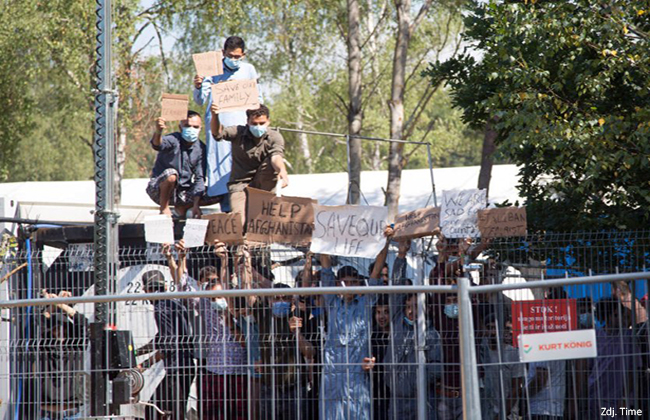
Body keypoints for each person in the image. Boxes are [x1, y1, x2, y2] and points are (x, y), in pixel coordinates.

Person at [318, 231, 390, 420]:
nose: (348, 286)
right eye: (344, 282)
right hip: (333, 372)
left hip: (358, 373)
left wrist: (386, 241)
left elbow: (376, 272)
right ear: (337, 283)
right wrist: (320, 233)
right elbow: (325, 269)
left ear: (359, 283)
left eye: (352, 282)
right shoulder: (332, 303)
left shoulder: (365, 305)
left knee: (359, 413)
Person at [193, 36, 261, 211]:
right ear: (223, 53)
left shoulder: (249, 70)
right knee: (222, 170)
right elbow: (200, 101)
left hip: (243, 129)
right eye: (230, 56)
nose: (234, 60)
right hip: (219, 128)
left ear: (244, 55)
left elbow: (258, 99)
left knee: (244, 167)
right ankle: (227, 213)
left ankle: (247, 212)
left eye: (237, 57)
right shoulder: (212, 70)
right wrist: (198, 86)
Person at [384, 236, 442, 420]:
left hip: (423, 397)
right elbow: (397, 286)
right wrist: (401, 255)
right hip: (397, 398)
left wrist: (419, 381)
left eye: (417, 308)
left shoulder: (431, 334)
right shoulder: (397, 322)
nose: (411, 312)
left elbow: (438, 366)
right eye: (409, 306)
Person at [210, 103, 289, 225]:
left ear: (268, 121)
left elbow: (276, 157)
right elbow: (217, 134)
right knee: (239, 222)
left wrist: (282, 172)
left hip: (263, 183)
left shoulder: (274, 137)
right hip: (239, 184)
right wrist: (214, 115)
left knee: (261, 222)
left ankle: (266, 199)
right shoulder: (237, 132)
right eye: (254, 124)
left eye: (262, 123)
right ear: (247, 121)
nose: (258, 127)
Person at [140, 270, 194, 420]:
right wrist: (137, 352)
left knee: (159, 412)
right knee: (164, 410)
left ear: (148, 290)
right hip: (183, 366)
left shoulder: (160, 308)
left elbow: (167, 345)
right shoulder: (172, 302)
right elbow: (162, 338)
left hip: (178, 368)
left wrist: (143, 365)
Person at [37, 290, 89, 420]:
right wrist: (52, 303)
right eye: (56, 327)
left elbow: (83, 322)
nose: (60, 330)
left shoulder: (76, 346)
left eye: (64, 327)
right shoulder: (45, 346)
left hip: (71, 412)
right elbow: (39, 322)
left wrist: (60, 304)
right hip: (47, 413)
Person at [585, 297, 640, 419]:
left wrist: (625, 396)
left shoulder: (628, 337)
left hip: (618, 400)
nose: (619, 318)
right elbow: (586, 368)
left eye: (620, 314)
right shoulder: (595, 337)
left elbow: (633, 370)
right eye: (615, 315)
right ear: (606, 316)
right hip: (596, 397)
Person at [146, 111, 206, 218]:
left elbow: (199, 178)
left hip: (182, 193)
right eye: (187, 126)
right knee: (171, 175)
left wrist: (196, 205)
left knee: (216, 193)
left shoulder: (201, 148)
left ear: (200, 128)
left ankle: (183, 207)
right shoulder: (174, 139)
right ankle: (164, 208)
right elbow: (157, 145)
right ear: (180, 127)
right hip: (159, 190)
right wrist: (158, 131)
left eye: (195, 127)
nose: (191, 130)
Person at [480, 315, 524, 420]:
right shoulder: (480, 352)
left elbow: (516, 388)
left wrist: (502, 415)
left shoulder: (513, 354)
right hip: (484, 412)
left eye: (496, 328)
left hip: (507, 414)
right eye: (489, 328)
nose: (493, 332)